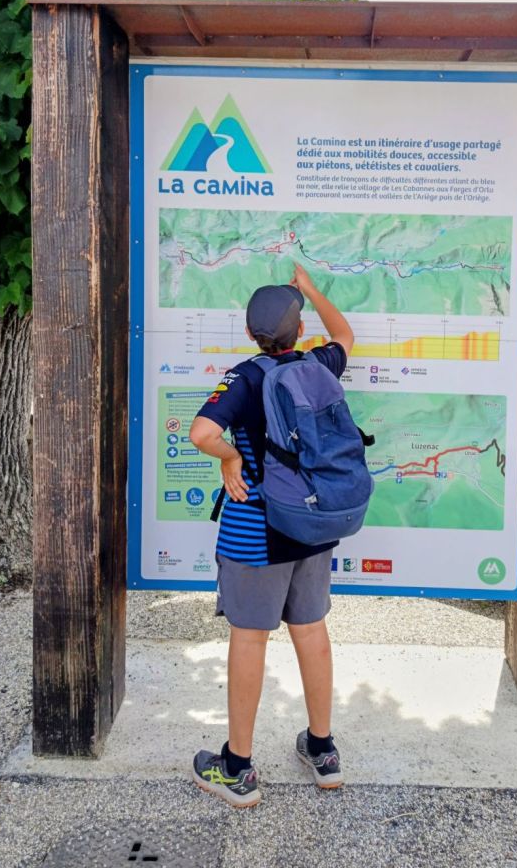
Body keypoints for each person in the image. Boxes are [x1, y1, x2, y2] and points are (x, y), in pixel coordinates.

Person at [187, 263, 354, 808]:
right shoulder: (319, 364)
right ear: (299, 331)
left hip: (256, 532)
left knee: (250, 637)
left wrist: (230, 457)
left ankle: (238, 769)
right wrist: (310, 289)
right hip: (312, 525)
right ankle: (323, 750)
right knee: (311, 630)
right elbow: (345, 335)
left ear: (249, 332)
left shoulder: (244, 377)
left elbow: (202, 432)